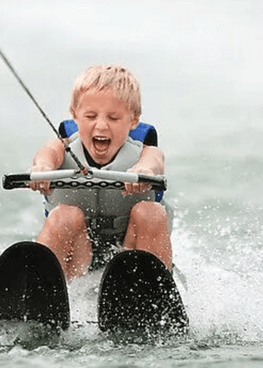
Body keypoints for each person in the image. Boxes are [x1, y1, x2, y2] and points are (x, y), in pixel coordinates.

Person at [28, 64, 172, 281]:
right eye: (91, 116)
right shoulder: (61, 146)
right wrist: (43, 168)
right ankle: (41, 287)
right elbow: (47, 153)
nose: (102, 126)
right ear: (75, 115)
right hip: (76, 257)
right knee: (65, 216)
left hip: (130, 256)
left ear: (133, 120)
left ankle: (152, 290)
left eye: (113, 118)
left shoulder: (145, 152)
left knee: (150, 213)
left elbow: (155, 161)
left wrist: (144, 171)